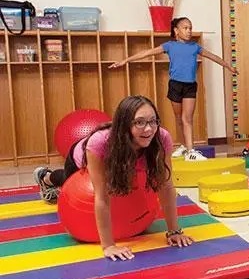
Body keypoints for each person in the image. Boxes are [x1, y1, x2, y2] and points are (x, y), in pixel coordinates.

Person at [33, 95, 193, 260]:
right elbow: (101, 196)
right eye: (139, 122)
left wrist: (174, 231)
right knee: (66, 180)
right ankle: (46, 177)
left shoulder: (161, 138)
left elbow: (165, 185)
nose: (149, 129)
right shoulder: (100, 142)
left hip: (124, 161)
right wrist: (108, 245)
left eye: (153, 121)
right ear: (124, 124)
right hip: (82, 159)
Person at [110, 17, 237, 161]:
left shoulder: (195, 47)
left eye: (190, 28)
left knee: (186, 118)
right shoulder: (169, 45)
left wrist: (228, 66)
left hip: (190, 86)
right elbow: (147, 52)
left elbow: (213, 57)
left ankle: (191, 151)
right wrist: (125, 60)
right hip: (175, 85)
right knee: (179, 118)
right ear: (176, 31)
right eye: (185, 28)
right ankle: (183, 146)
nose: (189, 31)